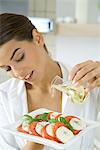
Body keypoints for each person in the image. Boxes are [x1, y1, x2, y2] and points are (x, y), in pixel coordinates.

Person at [0, 13, 100, 150]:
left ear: (38, 38)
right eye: (7, 68)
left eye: (19, 57)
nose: (17, 73)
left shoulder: (87, 81)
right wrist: (37, 137)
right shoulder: (3, 98)